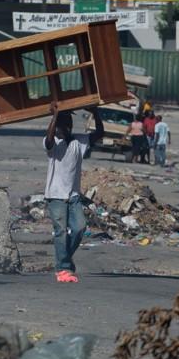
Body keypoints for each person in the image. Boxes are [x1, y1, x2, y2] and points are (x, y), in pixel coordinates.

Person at [44, 104, 104, 283]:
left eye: (62, 127)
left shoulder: (79, 141)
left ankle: (64, 259)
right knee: (60, 231)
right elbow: (48, 140)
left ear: (68, 127)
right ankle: (63, 268)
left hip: (73, 195)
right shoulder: (52, 143)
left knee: (79, 228)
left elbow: (100, 134)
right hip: (55, 195)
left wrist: (96, 113)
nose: (58, 131)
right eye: (57, 127)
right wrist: (53, 117)